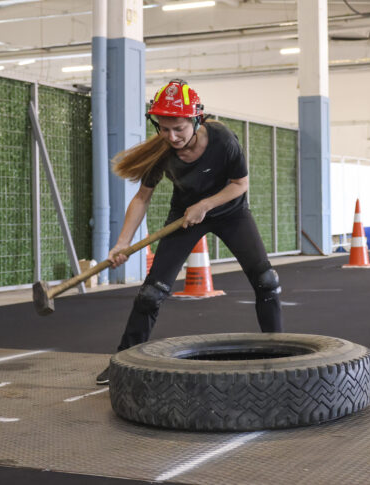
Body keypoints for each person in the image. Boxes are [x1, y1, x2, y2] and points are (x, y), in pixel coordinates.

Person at [96, 79, 283, 385]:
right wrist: (122, 243)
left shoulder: (223, 139)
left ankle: (278, 358)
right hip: (184, 217)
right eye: (164, 128)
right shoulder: (161, 151)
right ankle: (122, 360)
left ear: (196, 120)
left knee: (266, 282)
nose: (172, 136)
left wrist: (206, 205)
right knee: (151, 294)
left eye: (179, 128)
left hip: (230, 212)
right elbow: (142, 197)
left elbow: (240, 184)